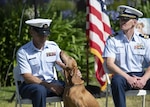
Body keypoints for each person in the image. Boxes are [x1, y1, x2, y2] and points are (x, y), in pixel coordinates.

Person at [102, 5, 150, 107]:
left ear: (134, 22)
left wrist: (144, 79)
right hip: (122, 76)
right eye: (121, 19)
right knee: (116, 81)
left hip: (140, 75)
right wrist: (128, 78)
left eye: (126, 19)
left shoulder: (144, 40)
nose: (122, 22)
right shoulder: (113, 40)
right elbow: (110, 64)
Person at [16, 18, 66, 107]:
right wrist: (48, 86)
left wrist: (72, 77)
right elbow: (27, 77)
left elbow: (62, 69)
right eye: (40, 35)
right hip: (31, 86)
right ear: (32, 32)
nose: (43, 38)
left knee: (72, 88)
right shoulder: (23, 51)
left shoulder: (53, 47)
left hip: (51, 83)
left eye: (46, 35)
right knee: (40, 90)